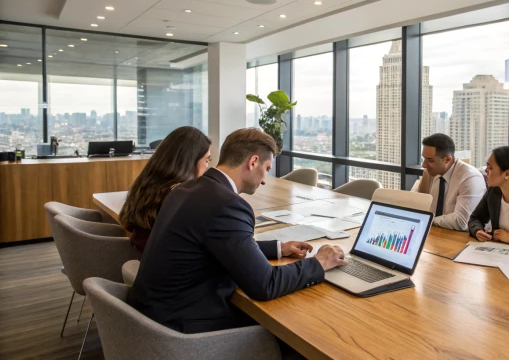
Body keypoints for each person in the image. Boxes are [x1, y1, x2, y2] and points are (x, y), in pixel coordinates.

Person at [129, 128, 348, 334]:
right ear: (253, 162)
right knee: (298, 329)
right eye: (267, 169)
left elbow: (216, 244)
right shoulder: (227, 205)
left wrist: (279, 248)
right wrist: (319, 262)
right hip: (183, 331)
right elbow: (265, 284)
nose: (264, 180)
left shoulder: (186, 189)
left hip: (149, 321)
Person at [119, 126, 212, 257]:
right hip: (164, 269)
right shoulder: (179, 196)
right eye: (207, 160)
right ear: (190, 161)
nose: (207, 167)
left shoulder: (149, 182)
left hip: (145, 259)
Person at [414, 133, 485, 231]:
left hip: (461, 237)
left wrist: (430, 220)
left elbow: (461, 222)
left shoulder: (470, 177)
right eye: (424, 158)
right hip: (438, 233)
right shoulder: (432, 173)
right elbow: (416, 205)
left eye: (430, 160)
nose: (424, 164)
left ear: (447, 159)